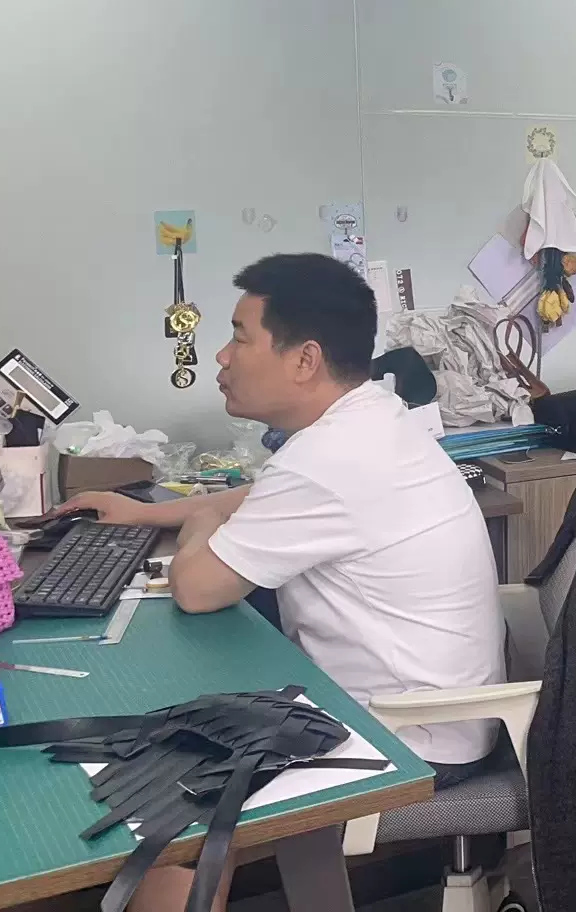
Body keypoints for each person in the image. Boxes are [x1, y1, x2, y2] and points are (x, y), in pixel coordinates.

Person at [59, 253, 502, 912]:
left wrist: (199, 525)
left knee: (176, 791)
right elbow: (263, 496)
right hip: (435, 712)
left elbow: (196, 588)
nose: (222, 357)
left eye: (240, 337)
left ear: (305, 360)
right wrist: (146, 513)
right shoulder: (368, 418)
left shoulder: (329, 456)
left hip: (410, 740)